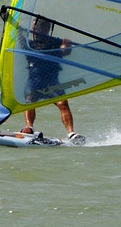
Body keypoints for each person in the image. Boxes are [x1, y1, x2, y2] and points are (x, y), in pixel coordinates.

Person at [22, 16, 85, 144]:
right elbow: (18, 38)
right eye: (38, 27)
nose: (41, 30)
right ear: (34, 28)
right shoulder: (29, 43)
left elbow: (65, 51)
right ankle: (29, 127)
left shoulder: (54, 42)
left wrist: (67, 45)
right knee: (30, 101)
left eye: (45, 28)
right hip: (35, 79)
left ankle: (71, 133)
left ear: (48, 29)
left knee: (63, 103)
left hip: (51, 80)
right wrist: (13, 26)